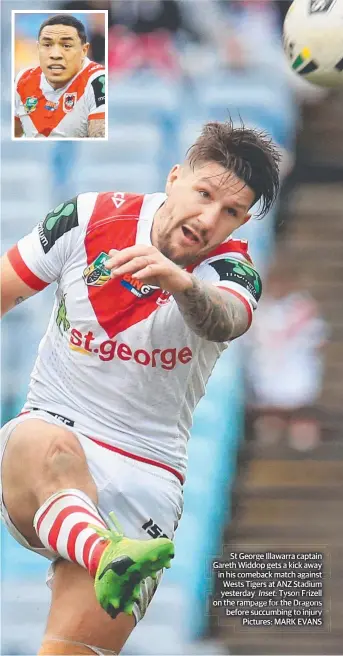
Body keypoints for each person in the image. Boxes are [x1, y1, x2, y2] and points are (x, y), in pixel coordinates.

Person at [1, 120, 280, 655]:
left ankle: (112, 553)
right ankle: (107, 554)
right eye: (204, 194)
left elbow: (225, 319)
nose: (208, 219)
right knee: (46, 443)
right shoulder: (87, 219)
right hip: (58, 432)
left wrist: (183, 284)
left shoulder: (234, 272)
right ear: (175, 177)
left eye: (231, 213)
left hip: (145, 481)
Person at [244, 256, 328, 451]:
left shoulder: (303, 307)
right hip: (268, 365)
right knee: (270, 409)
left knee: (298, 405)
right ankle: (270, 434)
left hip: (294, 364)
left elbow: (317, 336)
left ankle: (303, 438)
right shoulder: (260, 307)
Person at [14, 14, 106, 139]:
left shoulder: (98, 80)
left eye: (66, 46)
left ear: (84, 50)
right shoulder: (23, 79)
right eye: (47, 45)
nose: (55, 55)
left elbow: (99, 139)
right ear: (38, 48)